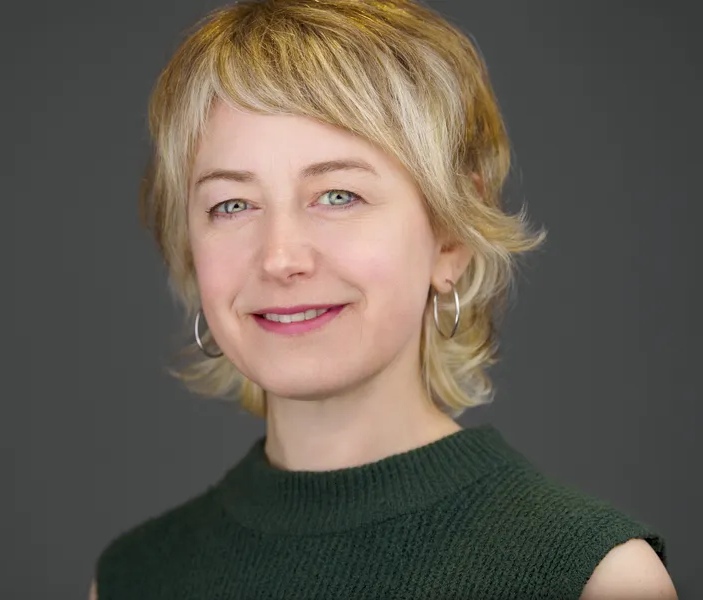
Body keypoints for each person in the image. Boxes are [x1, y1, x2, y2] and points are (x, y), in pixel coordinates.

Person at [91, 0, 676, 598]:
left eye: (338, 195)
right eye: (232, 205)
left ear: (449, 237)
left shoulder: (594, 578)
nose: (279, 258)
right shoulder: (131, 578)